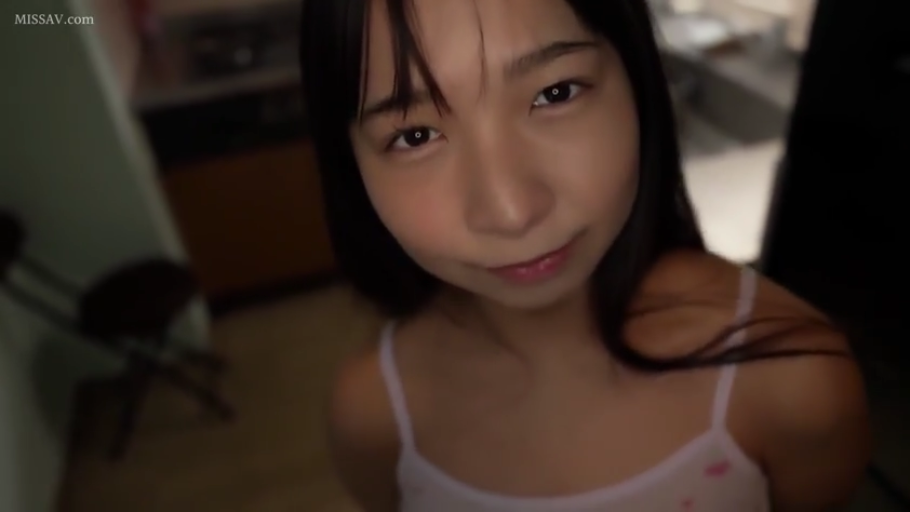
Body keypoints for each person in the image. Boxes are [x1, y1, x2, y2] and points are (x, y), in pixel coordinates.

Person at [298, 0, 871, 510]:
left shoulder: (793, 380)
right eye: (415, 136)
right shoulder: (374, 415)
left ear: (637, 77)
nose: (511, 211)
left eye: (556, 93)